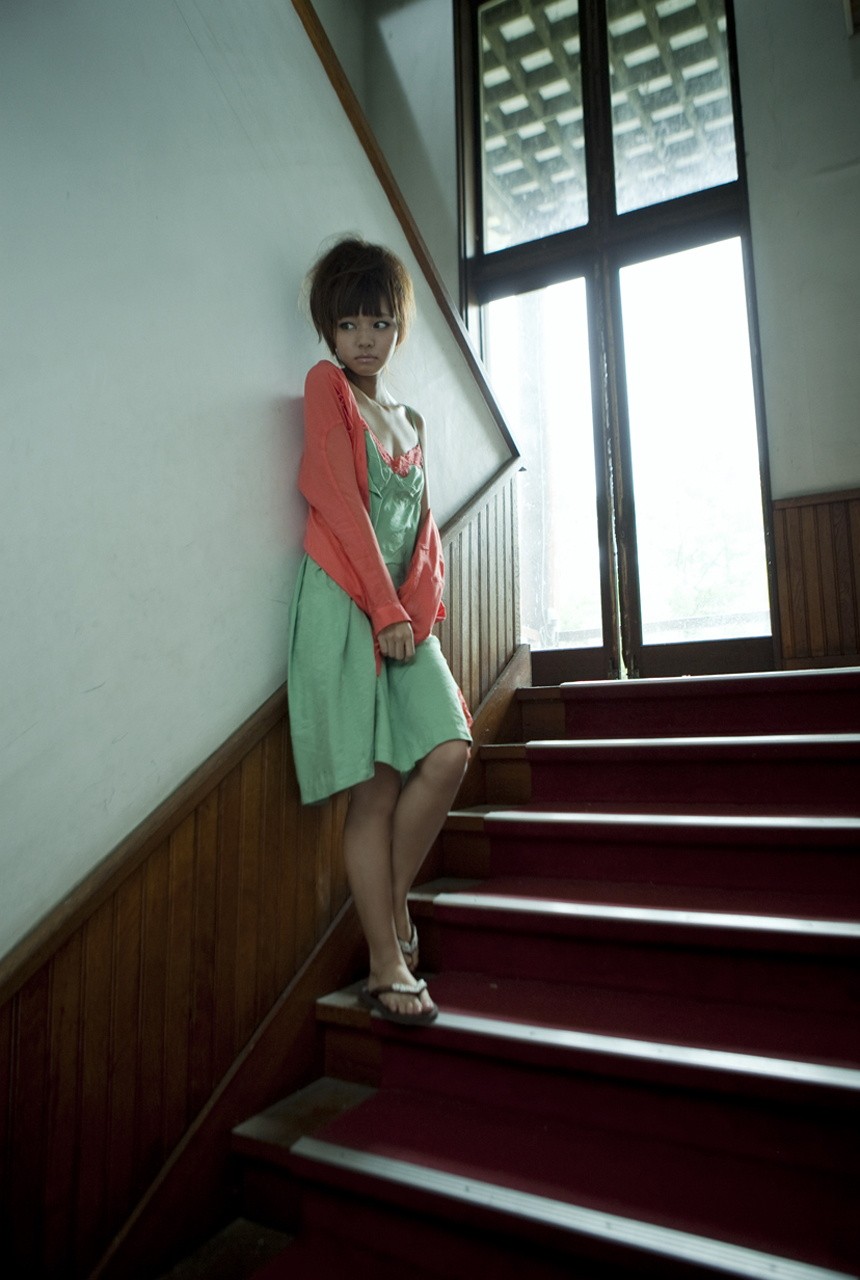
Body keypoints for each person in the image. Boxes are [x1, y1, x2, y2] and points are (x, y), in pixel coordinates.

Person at [287, 236, 472, 1026]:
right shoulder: (326, 385)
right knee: (378, 789)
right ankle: (385, 963)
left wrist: (416, 609)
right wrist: (385, 610)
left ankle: (392, 902)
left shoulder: (412, 416)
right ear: (329, 328)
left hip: (402, 617)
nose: (364, 338)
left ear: (399, 328)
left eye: (379, 323)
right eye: (349, 322)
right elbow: (339, 502)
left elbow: (425, 530)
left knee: (451, 750)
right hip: (345, 605)